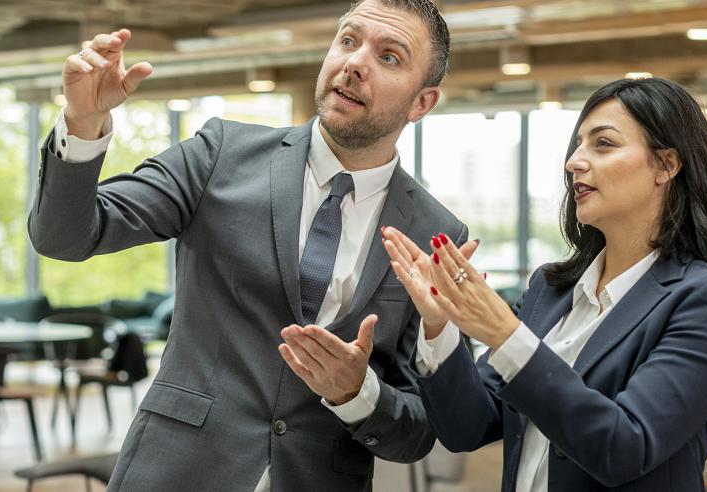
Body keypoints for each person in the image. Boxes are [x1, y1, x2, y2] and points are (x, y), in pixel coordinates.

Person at [28, 1, 469, 489]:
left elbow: (420, 430)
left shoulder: (437, 237)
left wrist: (356, 393)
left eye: (389, 57)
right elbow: (66, 237)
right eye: (348, 40)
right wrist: (82, 122)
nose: (355, 63)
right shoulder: (220, 154)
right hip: (176, 471)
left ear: (422, 103)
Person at [378, 77, 707, 490]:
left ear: (666, 164)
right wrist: (438, 326)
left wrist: (507, 336)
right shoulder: (550, 289)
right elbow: (467, 428)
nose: (575, 160)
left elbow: (625, 447)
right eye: (577, 145)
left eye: (603, 143)